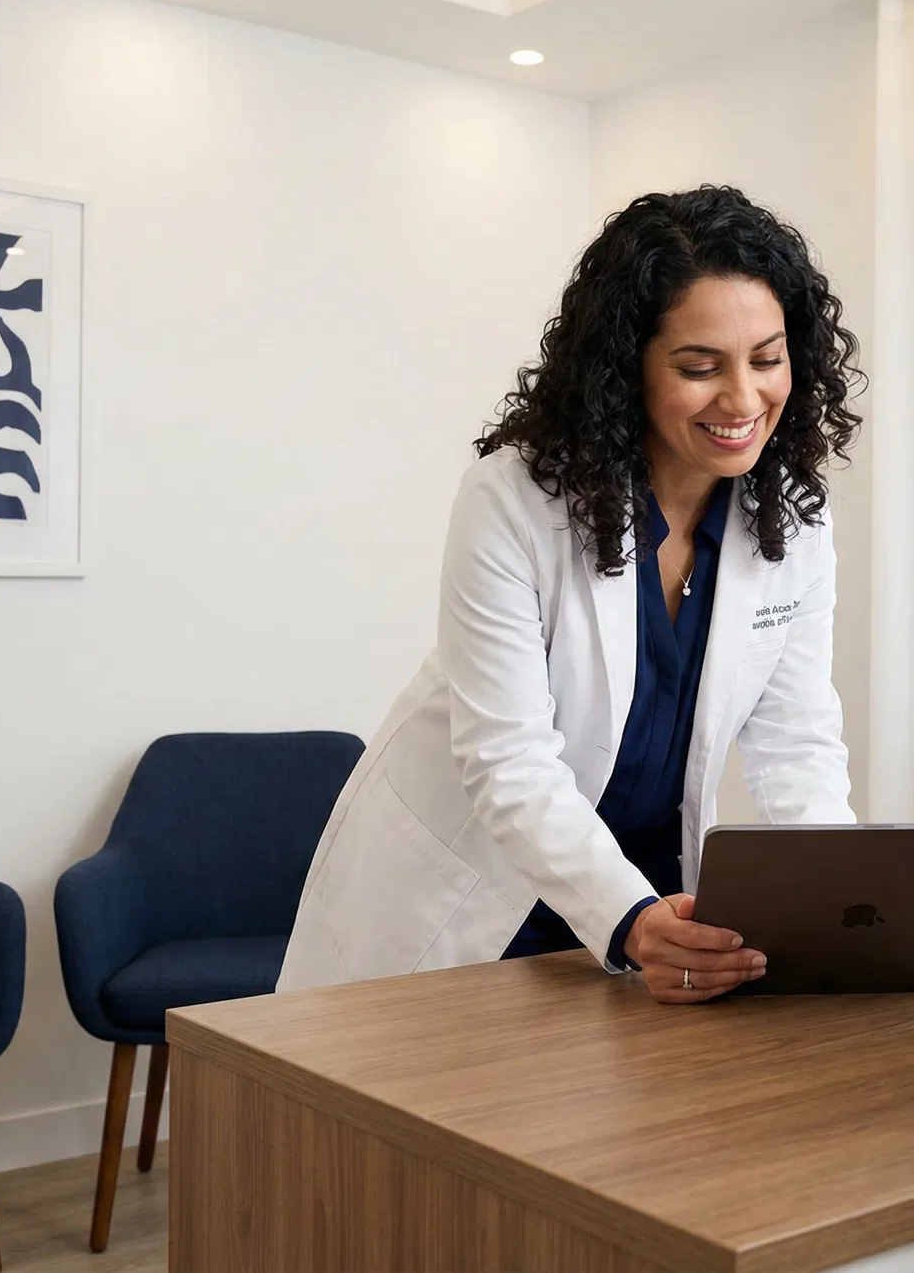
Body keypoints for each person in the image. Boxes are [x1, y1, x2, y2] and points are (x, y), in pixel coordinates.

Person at [280, 186, 864, 1004]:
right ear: (628, 367)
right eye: (699, 367)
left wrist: (850, 910)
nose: (742, 399)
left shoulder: (793, 520)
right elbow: (509, 759)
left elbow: (797, 745)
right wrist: (625, 919)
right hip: (479, 903)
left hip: (655, 905)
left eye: (766, 359)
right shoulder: (514, 501)